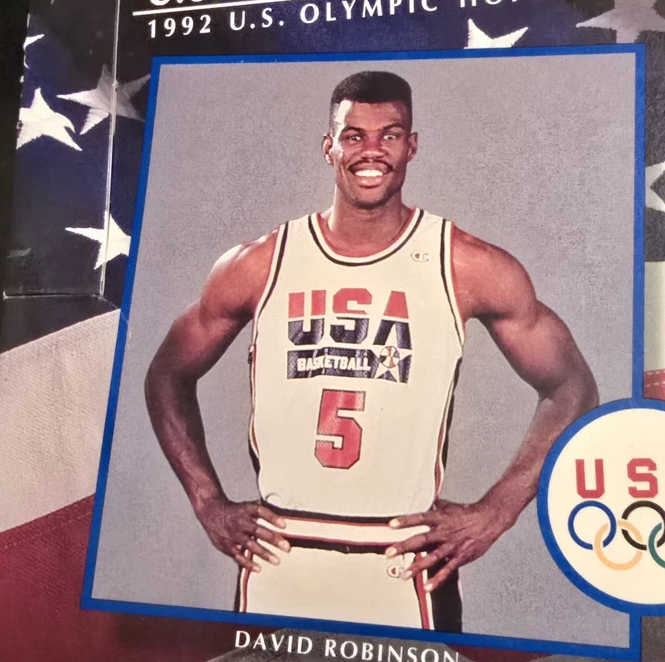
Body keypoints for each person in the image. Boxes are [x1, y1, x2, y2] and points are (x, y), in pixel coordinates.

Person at [145, 70, 597, 633]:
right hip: (281, 556)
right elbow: (167, 373)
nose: (372, 151)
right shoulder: (262, 263)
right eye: (353, 135)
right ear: (328, 146)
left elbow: (573, 388)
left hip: (402, 560)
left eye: (390, 135)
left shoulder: (464, 264)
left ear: (412, 147)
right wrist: (206, 501)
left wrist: (498, 509)